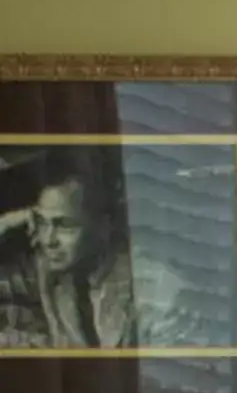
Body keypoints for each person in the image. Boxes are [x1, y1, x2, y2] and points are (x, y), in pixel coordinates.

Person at [0, 150, 220, 351]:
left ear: (103, 225)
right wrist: (7, 224)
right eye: (40, 222)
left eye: (65, 225)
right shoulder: (51, 270)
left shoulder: (160, 295)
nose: (48, 240)